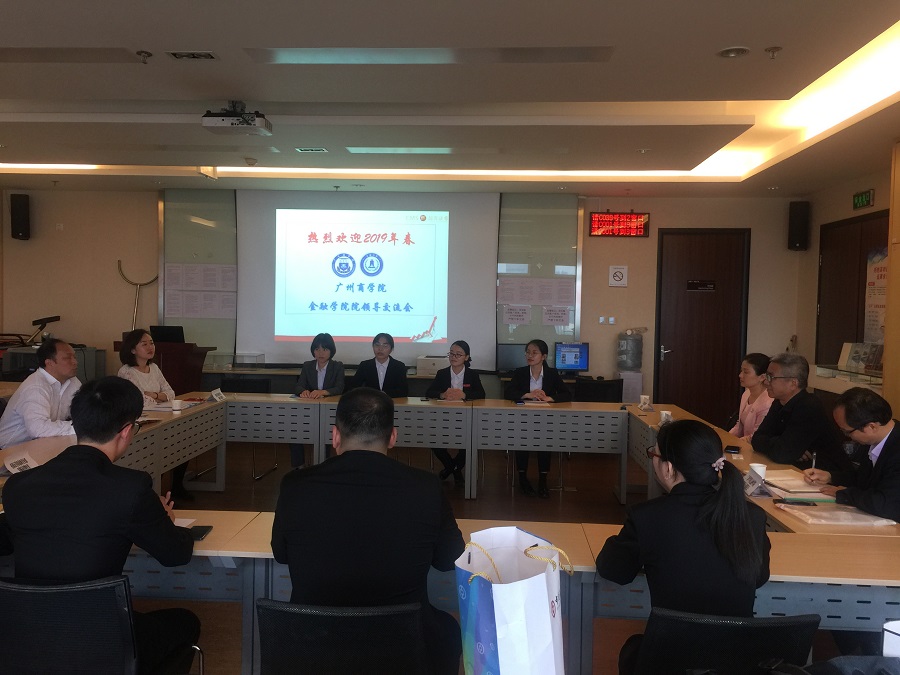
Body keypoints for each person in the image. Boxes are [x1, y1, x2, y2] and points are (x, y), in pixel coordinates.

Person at [0, 376, 200, 674]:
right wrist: (164, 520)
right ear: (127, 431)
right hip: (100, 637)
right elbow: (175, 555)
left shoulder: (18, 486)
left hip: (23, 635)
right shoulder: (130, 488)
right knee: (185, 621)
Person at [271, 387, 464, 675]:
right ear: (393, 437)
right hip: (403, 649)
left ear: (335, 436)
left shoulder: (295, 485)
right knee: (448, 629)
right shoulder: (425, 487)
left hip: (313, 645)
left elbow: (281, 553)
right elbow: (450, 558)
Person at [596, 419, 770, 675]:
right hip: (735, 663)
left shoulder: (648, 517)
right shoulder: (751, 516)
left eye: (654, 455)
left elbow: (614, 571)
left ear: (668, 468)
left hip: (668, 662)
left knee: (633, 648)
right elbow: (759, 576)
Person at [117, 328, 192, 501]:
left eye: (151, 343)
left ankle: (177, 486)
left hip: (161, 416)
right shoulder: (126, 371)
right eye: (144, 344)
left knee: (182, 440)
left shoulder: (154, 368)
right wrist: (159, 397)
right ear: (132, 349)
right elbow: (140, 402)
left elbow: (171, 393)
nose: (150, 347)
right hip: (141, 421)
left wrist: (154, 395)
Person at [804, 387, 900, 521]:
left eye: (847, 431)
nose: (847, 436)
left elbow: (885, 504)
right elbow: (863, 479)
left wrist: (845, 495)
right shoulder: (874, 440)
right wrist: (831, 477)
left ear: (871, 427)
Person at [751, 353, 852, 473]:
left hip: (827, 476)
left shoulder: (809, 406)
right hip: (796, 470)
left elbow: (782, 453)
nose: (766, 382)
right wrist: (789, 448)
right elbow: (756, 439)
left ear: (793, 383)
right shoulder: (779, 402)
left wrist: (785, 447)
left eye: (771, 377)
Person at [504, 338, 571, 498]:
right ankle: (522, 478)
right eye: (528, 352)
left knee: (545, 441)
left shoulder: (551, 373)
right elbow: (508, 393)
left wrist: (549, 398)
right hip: (522, 418)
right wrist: (527, 395)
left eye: (534, 352)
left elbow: (567, 394)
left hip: (545, 419)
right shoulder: (520, 372)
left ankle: (543, 480)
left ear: (544, 356)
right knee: (521, 439)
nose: (530, 355)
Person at [0, 338, 81, 448]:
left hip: (43, 442)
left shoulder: (72, 381)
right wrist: (79, 427)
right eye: (67, 358)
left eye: (74, 357)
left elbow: (84, 411)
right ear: (49, 363)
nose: (75, 362)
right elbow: (38, 429)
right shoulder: (35, 387)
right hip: (10, 448)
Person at [426, 340, 485, 483]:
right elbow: (429, 392)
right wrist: (442, 394)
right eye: (451, 354)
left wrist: (464, 395)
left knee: (470, 441)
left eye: (458, 354)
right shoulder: (442, 373)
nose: (454, 357)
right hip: (444, 417)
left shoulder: (472, 374)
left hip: (466, 417)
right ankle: (453, 468)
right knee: (434, 440)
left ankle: (450, 469)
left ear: (466, 357)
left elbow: (481, 394)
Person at [289, 332, 345, 467]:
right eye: (317, 349)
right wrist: (303, 391)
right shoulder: (308, 365)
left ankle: (323, 465)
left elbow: (339, 388)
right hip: (309, 411)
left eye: (324, 349)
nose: (320, 353)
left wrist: (323, 392)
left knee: (325, 432)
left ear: (331, 351)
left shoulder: (337, 366)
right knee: (293, 429)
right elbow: (298, 386)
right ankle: (299, 466)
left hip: (329, 412)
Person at [728, 352, 773, 441]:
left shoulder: (767, 403)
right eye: (741, 371)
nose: (740, 375)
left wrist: (736, 442)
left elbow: (756, 437)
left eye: (746, 372)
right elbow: (739, 426)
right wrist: (726, 436)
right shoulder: (747, 393)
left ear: (762, 377)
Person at [349, 332, 408, 397]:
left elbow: (404, 391)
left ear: (391, 349)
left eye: (385, 346)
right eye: (377, 345)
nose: (380, 349)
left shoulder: (399, 367)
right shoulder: (365, 365)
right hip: (370, 401)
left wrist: (385, 394)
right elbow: (353, 388)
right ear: (373, 347)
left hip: (392, 401)